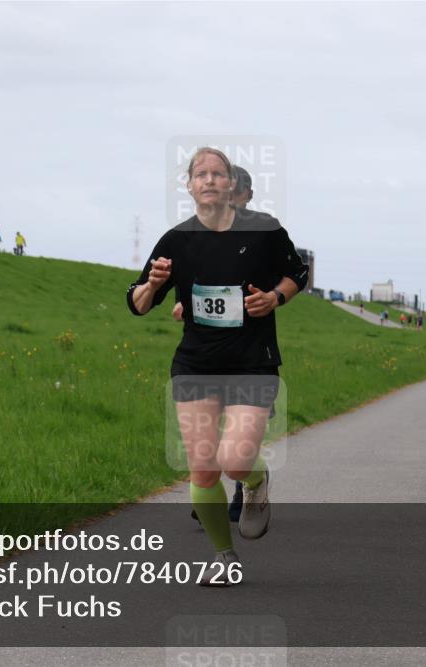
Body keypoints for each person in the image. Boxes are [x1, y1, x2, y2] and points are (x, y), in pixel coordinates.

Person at [127, 148, 307, 586]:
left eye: (218, 174)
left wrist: (275, 298)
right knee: (204, 468)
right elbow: (136, 302)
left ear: (232, 185)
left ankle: (256, 479)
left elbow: (298, 273)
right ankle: (223, 558)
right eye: (200, 174)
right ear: (189, 186)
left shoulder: (265, 231)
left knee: (233, 460)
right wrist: (152, 286)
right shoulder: (176, 240)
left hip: (252, 362)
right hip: (195, 364)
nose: (209, 180)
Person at [174, 164, 255, 524]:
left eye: (234, 194)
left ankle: (241, 483)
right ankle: (207, 483)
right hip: (204, 351)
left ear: (244, 195)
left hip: (245, 348)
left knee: (238, 430)